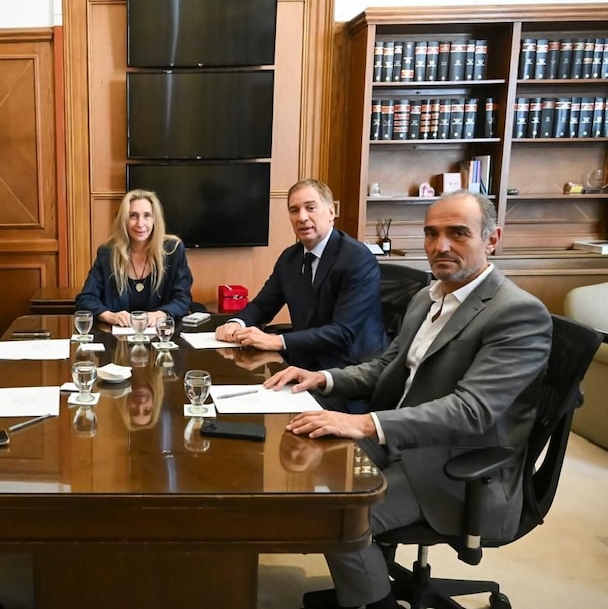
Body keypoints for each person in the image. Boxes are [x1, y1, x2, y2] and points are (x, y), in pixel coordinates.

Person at [266, 191, 552, 609]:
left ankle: (373, 601)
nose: (441, 246)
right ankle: (367, 581)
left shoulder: (517, 313)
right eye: (431, 233)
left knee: (337, 515)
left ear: (492, 239)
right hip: (402, 440)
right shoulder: (428, 296)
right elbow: (387, 365)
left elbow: (471, 411)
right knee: (308, 460)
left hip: (457, 465)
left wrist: (364, 423)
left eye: (458, 233)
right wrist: (323, 379)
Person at [215, 179, 387, 370]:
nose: (302, 217)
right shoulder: (290, 258)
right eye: (294, 210)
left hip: (350, 367)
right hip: (305, 360)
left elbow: (342, 332)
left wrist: (277, 341)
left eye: (310, 208)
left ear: (331, 212)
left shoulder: (356, 258)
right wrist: (237, 323)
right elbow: (263, 305)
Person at [76, 189, 193, 327]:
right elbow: (86, 299)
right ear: (123, 220)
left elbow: (183, 299)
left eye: (147, 216)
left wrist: (162, 313)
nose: (140, 223)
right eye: (133, 216)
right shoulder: (108, 254)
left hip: (161, 334)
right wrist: (109, 316)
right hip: (118, 336)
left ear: (155, 220)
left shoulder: (172, 251)